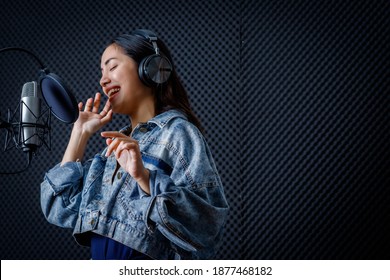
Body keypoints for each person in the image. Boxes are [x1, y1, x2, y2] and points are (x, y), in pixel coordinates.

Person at [40, 29, 229, 260]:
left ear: (150, 69)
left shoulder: (178, 134)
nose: (103, 79)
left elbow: (207, 226)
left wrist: (145, 178)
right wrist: (79, 134)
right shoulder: (112, 151)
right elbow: (58, 207)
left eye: (112, 67)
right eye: (102, 72)